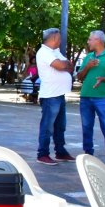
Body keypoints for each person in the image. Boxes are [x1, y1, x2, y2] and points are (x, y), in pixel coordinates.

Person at [76, 30, 105, 167]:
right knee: (86, 126)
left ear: (98, 41)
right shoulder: (88, 57)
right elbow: (79, 77)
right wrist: (87, 67)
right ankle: (88, 155)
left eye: (90, 39)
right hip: (86, 96)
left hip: (102, 97)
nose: (88, 42)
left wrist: (103, 79)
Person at [35, 28, 74, 166]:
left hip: (59, 94)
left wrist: (65, 65)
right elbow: (60, 65)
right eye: (59, 38)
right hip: (50, 95)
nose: (60, 40)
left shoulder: (55, 52)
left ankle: (60, 151)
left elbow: (69, 66)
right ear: (52, 39)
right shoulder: (44, 52)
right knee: (47, 126)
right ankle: (42, 154)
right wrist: (64, 65)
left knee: (60, 126)